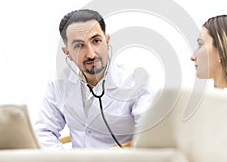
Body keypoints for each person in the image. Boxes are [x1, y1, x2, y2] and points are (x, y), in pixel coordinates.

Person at [34, 9, 153, 149]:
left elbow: (149, 136)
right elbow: (44, 132)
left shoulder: (136, 80)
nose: (91, 54)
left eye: (96, 41)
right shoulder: (58, 83)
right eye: (79, 46)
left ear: (107, 42)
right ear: (67, 53)